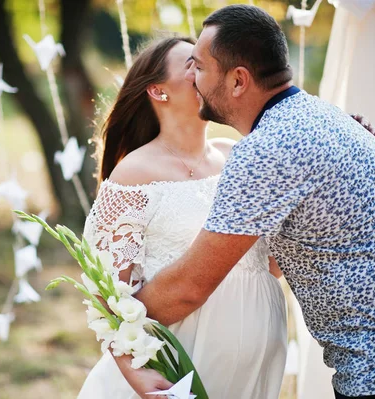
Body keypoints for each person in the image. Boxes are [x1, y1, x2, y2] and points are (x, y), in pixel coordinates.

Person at [117, 5, 375, 399]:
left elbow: (189, 288)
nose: (194, 79)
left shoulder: (267, 150)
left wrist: (116, 322)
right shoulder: (316, 116)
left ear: (238, 81)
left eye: (199, 68)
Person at [77, 36, 287, 399]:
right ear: (159, 91)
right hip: (178, 363)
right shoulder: (134, 175)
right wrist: (135, 372)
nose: (206, 69)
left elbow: (271, 264)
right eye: (191, 64)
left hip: (255, 362)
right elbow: (106, 295)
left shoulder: (237, 155)